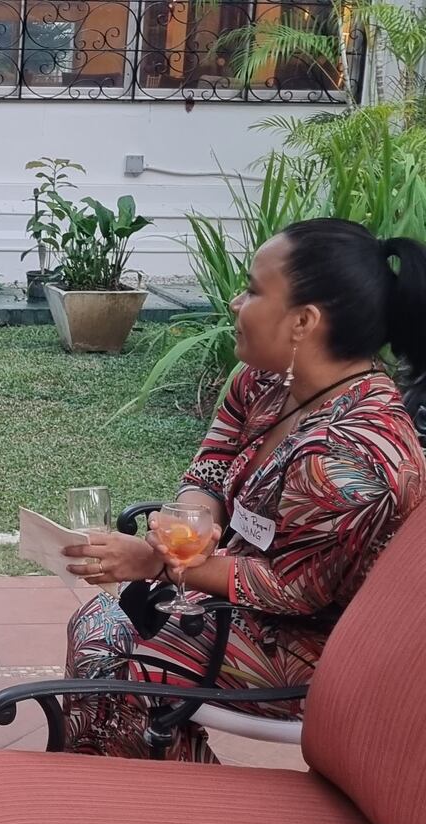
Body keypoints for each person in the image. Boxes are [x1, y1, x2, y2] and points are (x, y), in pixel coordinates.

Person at [60, 217, 426, 761]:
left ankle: (159, 809)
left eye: (254, 290)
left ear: (304, 321)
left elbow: (292, 589)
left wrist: (158, 562)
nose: (235, 302)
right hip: (236, 597)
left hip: (320, 643)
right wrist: (189, 527)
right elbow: (211, 465)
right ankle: (129, 794)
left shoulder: (349, 453)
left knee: (121, 666)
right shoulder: (268, 381)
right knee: (100, 629)